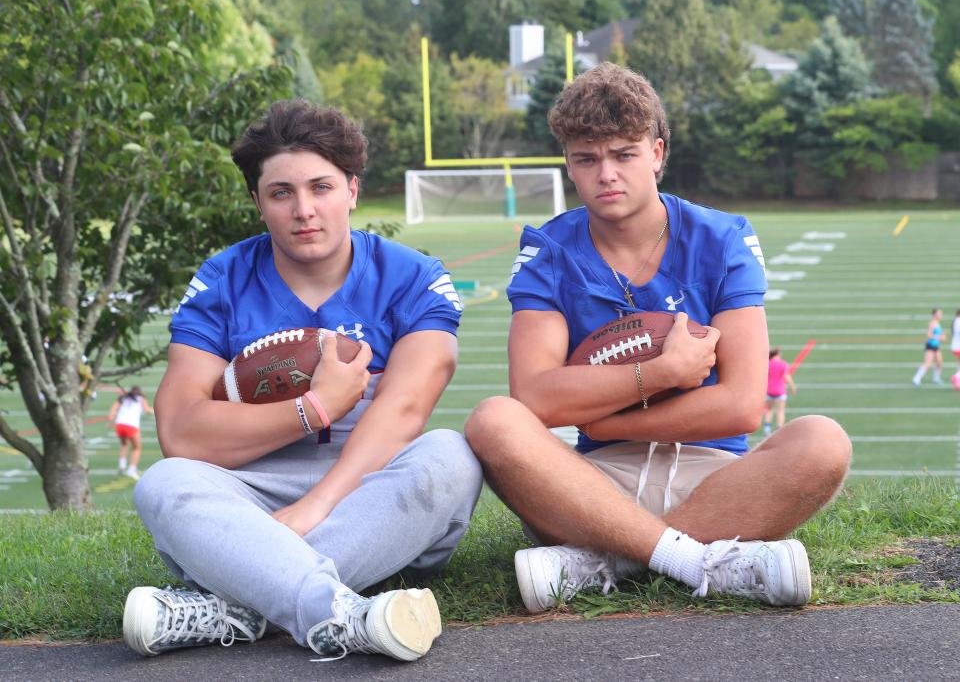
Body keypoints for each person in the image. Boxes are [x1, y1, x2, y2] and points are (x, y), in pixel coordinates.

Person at [464, 63, 851, 614]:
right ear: (569, 166)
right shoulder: (550, 250)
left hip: (714, 472)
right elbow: (534, 398)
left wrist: (608, 417)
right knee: (492, 421)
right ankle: (702, 560)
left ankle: (604, 562)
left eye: (623, 154)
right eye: (587, 159)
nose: (606, 175)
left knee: (823, 442)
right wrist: (662, 374)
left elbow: (742, 406)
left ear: (657, 153)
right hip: (596, 482)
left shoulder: (720, 238)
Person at [122, 101, 482, 662]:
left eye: (322, 187)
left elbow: (406, 410)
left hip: (370, 492)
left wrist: (317, 505)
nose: (304, 210)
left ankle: (236, 601)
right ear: (258, 203)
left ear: (353, 190)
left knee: (450, 456)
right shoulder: (222, 279)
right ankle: (338, 613)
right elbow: (182, 433)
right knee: (164, 482)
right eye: (281, 193)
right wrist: (312, 408)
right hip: (253, 490)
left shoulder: (413, 276)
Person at [108, 385, 153, 480]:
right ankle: (131, 470)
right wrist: (155, 410)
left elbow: (113, 409)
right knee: (136, 448)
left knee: (124, 444)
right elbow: (147, 410)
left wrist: (111, 420)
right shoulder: (141, 398)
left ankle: (122, 465)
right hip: (131, 425)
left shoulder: (122, 398)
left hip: (119, 424)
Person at [763, 349, 797, 436]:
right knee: (780, 411)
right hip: (780, 392)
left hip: (769, 391)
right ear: (777, 354)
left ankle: (767, 427)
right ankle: (779, 428)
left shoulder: (767, 364)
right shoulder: (782, 364)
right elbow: (787, 377)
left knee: (769, 410)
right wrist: (793, 387)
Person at [912, 308, 945, 386]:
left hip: (936, 346)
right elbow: (929, 335)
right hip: (930, 346)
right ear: (935, 315)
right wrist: (939, 337)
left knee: (939, 362)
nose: (941, 315)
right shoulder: (932, 323)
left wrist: (943, 336)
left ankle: (936, 378)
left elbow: (941, 334)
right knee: (928, 363)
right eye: (939, 313)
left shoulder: (937, 323)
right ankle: (916, 378)